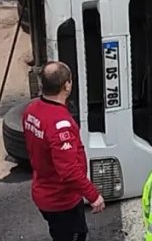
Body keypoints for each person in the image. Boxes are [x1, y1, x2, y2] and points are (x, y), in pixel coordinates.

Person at [24, 61, 106, 241]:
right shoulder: (60, 125)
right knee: (75, 235)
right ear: (66, 85)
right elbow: (68, 170)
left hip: (43, 192)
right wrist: (93, 195)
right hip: (61, 201)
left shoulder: (31, 110)